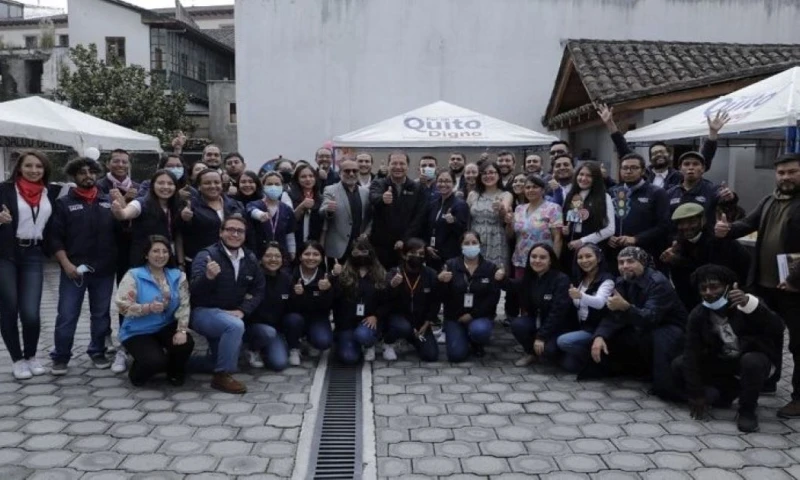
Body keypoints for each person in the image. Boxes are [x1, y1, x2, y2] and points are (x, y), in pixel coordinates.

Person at [715, 152, 800, 416]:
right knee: (767, 335)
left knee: (798, 343)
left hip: (795, 288)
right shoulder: (770, 199)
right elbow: (747, 224)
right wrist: (727, 229)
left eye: (792, 172)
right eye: (781, 172)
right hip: (764, 283)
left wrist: (796, 279)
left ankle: (799, 397)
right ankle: (769, 379)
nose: (785, 177)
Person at [674, 265, 783, 432]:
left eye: (714, 287)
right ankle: (726, 392)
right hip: (724, 361)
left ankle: (747, 410)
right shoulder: (698, 314)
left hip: (754, 360)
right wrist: (696, 394)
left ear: (729, 287)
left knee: (751, 361)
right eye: (703, 289)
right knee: (680, 364)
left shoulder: (749, 304)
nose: (708, 292)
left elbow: (777, 327)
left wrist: (749, 305)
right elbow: (691, 352)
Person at [587, 247, 687, 400]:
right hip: (642, 323)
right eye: (621, 262)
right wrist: (600, 336)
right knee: (609, 339)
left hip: (669, 327)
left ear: (643, 263)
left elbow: (651, 317)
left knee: (664, 386)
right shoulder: (621, 281)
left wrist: (626, 307)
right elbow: (614, 316)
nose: (625, 266)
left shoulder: (658, 282)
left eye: (630, 261)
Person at [49, 158, 117, 375]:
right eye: (81, 173)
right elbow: (54, 238)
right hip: (73, 270)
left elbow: (121, 231)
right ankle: (61, 356)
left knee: (101, 314)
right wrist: (66, 264)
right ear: (73, 176)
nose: (87, 176)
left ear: (97, 174)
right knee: (67, 314)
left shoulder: (108, 201)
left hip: (104, 270)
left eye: (91, 172)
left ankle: (97, 351)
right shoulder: (63, 204)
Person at [190, 214, 265, 393]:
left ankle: (172, 362)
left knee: (218, 358)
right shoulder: (206, 255)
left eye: (240, 231)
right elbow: (193, 290)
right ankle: (222, 376)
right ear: (221, 233)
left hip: (231, 314)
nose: (235, 234)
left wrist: (243, 309)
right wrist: (207, 278)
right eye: (230, 229)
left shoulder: (250, 258)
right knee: (235, 326)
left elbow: (259, 289)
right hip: (203, 312)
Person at [0, 150, 56, 379]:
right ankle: (17, 360)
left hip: (34, 254)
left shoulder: (49, 192)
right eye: (29, 166)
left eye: (39, 166)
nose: (34, 170)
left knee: (31, 312)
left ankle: (31, 355)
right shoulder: (4, 190)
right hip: (6, 254)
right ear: (19, 168)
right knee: (9, 308)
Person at [116, 235, 194, 386]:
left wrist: (182, 330)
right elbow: (122, 305)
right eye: (156, 251)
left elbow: (185, 304)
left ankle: (174, 372)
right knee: (154, 361)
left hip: (165, 326)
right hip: (137, 330)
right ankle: (138, 373)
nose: (161, 255)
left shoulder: (178, 276)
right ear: (146, 254)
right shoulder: (133, 275)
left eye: (165, 251)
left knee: (185, 343)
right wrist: (147, 308)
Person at [597, 103, 727, 189]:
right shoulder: (643, 175)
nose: (658, 154)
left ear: (669, 155)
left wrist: (713, 134)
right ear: (650, 159)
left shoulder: (679, 176)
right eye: (654, 153)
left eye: (661, 152)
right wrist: (610, 124)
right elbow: (623, 149)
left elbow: (704, 159)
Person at [662, 202, 750, 311]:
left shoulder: (719, 240)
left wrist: (680, 261)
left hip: (725, 301)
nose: (686, 227)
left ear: (702, 220)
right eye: (681, 223)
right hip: (694, 304)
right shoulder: (678, 244)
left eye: (691, 222)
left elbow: (712, 270)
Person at [438, 231, 504, 361]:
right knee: (456, 356)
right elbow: (443, 296)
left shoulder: (490, 268)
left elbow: (493, 298)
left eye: (474, 242)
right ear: (461, 246)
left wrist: (472, 315)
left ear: (480, 245)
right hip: (455, 317)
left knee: (480, 331)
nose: (470, 245)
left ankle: (477, 342)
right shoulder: (450, 265)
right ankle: (463, 336)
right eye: (466, 243)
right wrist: (440, 282)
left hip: (479, 316)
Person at [508, 243, 574, 367]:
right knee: (518, 324)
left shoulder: (561, 279)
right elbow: (512, 286)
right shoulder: (530, 277)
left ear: (550, 261)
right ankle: (531, 354)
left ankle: (553, 351)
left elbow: (557, 313)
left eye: (542, 257)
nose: (537, 260)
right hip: (539, 321)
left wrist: (541, 337)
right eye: (533, 257)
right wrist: (500, 278)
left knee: (549, 352)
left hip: (560, 326)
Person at [556, 244, 615, 373]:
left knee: (563, 341)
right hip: (582, 326)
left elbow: (600, 302)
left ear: (598, 258)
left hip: (596, 328)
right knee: (567, 365)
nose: (584, 260)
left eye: (588, 256)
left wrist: (580, 295)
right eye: (580, 257)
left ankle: (600, 360)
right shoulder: (581, 279)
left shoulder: (607, 280)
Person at [608, 153, 670, 271]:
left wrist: (636, 239)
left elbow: (664, 225)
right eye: (625, 168)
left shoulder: (657, 193)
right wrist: (609, 237)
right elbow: (605, 220)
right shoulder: (612, 192)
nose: (628, 171)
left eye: (634, 168)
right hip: (615, 253)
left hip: (645, 253)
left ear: (643, 171)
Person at [383, 238, 440, 361]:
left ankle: (412, 339)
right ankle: (388, 342)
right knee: (404, 327)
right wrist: (392, 286)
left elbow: (435, 301)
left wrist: (427, 323)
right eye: (413, 253)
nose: (417, 256)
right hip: (399, 318)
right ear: (404, 255)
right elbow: (385, 299)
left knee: (431, 356)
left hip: (421, 321)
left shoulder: (431, 274)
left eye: (421, 254)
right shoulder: (395, 272)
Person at [368, 152, 427, 268]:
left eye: (402, 163)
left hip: (408, 247)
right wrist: (382, 199)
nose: (398, 167)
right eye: (394, 163)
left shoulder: (418, 188)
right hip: (381, 247)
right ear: (388, 165)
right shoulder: (378, 183)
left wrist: (404, 240)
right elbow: (373, 198)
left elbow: (419, 218)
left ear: (408, 167)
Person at [333, 239, 388, 364]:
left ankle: (370, 344)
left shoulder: (380, 275)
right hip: (347, 324)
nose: (361, 256)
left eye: (364, 252)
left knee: (362, 335)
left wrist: (376, 315)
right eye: (356, 253)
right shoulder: (343, 274)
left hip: (369, 321)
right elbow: (334, 299)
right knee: (349, 357)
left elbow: (387, 301)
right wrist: (335, 277)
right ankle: (345, 341)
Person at [285, 241, 338, 366]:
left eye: (316, 254)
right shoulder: (289, 275)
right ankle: (294, 347)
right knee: (293, 320)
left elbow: (329, 306)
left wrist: (327, 291)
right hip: (296, 317)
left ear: (321, 257)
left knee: (324, 342)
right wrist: (296, 295)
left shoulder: (325, 276)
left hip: (317, 317)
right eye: (307, 254)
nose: (311, 258)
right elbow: (285, 304)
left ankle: (310, 340)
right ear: (300, 256)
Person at [180, 169, 245, 270]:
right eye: (207, 183)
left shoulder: (235, 205)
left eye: (216, 182)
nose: (213, 186)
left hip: (232, 261)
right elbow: (181, 233)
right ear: (199, 187)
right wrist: (184, 219)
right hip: (202, 263)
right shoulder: (190, 207)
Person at [247, 242, 291, 371]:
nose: (273, 260)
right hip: (253, 327)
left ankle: (268, 348)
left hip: (274, 329)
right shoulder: (252, 278)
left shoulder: (286, 279)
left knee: (279, 363)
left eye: (277, 256)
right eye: (268, 256)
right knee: (267, 332)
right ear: (260, 259)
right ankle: (252, 349)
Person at [561, 162, 614, 268]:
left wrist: (582, 241)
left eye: (589, 175)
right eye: (581, 174)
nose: (583, 178)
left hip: (593, 249)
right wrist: (566, 230)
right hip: (571, 248)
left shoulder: (604, 197)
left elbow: (610, 229)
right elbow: (568, 222)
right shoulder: (571, 196)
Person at [509, 175, 563, 276]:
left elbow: (557, 238)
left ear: (542, 190)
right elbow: (512, 235)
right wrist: (508, 222)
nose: (531, 190)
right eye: (528, 187)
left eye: (535, 187)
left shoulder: (553, 208)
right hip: (521, 260)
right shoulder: (519, 209)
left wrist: (553, 262)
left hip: (542, 262)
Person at [320, 158, 372, 265]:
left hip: (359, 247)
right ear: (340, 173)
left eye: (354, 171)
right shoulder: (330, 190)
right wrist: (328, 210)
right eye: (347, 171)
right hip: (337, 248)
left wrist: (366, 233)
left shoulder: (366, 192)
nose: (351, 174)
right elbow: (322, 210)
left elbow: (370, 217)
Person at [467, 162, 513, 270]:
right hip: (475, 239)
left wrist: (501, 207)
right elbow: (468, 219)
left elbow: (504, 214)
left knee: (496, 274)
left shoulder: (506, 195)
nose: (488, 176)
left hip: (496, 239)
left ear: (498, 175)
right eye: (484, 173)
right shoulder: (472, 195)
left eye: (492, 172)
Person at [424, 170, 469, 271]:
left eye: (447, 181)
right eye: (440, 181)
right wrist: (426, 246)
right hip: (432, 254)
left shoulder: (460, 205)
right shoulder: (433, 204)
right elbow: (426, 227)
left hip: (450, 256)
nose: (443, 184)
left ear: (454, 183)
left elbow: (463, 232)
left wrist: (453, 222)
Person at [248, 172, 297, 260]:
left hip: (281, 254)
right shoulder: (255, 205)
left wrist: (292, 251)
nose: (273, 187)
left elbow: (289, 233)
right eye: (270, 184)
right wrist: (260, 215)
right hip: (259, 254)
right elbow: (251, 211)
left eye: (277, 184)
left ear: (282, 187)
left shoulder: (287, 209)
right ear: (263, 186)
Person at [288, 164, 324, 247]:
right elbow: (289, 221)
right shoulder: (289, 195)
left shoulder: (321, 198)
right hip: (295, 242)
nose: (308, 179)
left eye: (311, 176)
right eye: (303, 177)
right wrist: (302, 206)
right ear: (297, 179)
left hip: (314, 243)